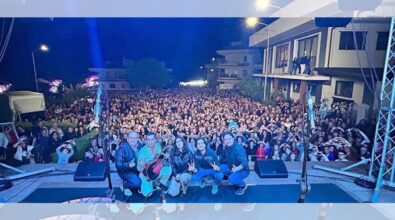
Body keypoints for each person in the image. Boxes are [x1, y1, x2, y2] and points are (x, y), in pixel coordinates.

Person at [137, 132, 172, 197]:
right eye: (148, 140)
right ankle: (149, 184)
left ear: (155, 139)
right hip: (146, 174)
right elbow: (139, 168)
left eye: (152, 139)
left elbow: (159, 157)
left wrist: (166, 156)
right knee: (148, 194)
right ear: (146, 141)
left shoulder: (158, 146)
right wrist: (145, 165)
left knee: (168, 170)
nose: (150, 142)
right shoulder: (142, 152)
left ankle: (159, 184)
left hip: (156, 170)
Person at [115, 131, 142, 197]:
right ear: (127, 139)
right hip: (126, 172)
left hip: (138, 170)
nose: (133, 140)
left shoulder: (140, 146)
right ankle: (125, 185)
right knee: (137, 183)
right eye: (131, 138)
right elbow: (117, 164)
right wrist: (128, 165)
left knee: (149, 180)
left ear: (138, 139)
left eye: (135, 138)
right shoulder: (122, 148)